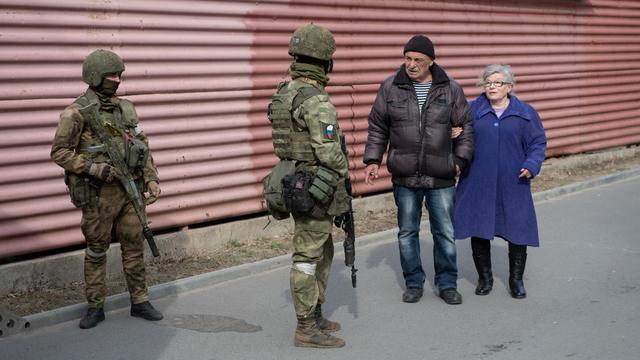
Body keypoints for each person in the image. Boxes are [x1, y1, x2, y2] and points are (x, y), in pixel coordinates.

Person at [51, 49, 163, 329]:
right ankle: (95, 306)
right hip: (98, 194)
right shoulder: (76, 113)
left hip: (131, 191)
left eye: (119, 75)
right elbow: (59, 152)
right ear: (94, 76)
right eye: (111, 75)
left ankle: (140, 301)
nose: (117, 80)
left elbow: (143, 146)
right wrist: (92, 168)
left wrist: (151, 178)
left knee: (134, 248)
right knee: (97, 250)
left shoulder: (127, 108)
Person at [363, 35, 474, 305]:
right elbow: (378, 126)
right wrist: (373, 160)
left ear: (431, 62)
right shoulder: (391, 87)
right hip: (405, 173)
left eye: (418, 60)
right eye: (408, 58)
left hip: (441, 173)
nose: (411, 64)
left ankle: (447, 283)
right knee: (407, 232)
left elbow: (466, 127)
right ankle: (413, 282)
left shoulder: (450, 88)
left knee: (444, 232)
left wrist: (459, 161)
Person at [266, 24, 350, 348]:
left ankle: (314, 314)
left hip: (294, 179)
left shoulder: (284, 92)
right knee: (307, 255)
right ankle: (305, 327)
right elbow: (329, 151)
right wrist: (344, 169)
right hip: (315, 186)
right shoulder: (317, 100)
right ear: (326, 62)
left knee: (322, 248)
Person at [454, 64, 547, 299]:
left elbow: (538, 143)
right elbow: (457, 132)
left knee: (518, 230)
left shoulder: (525, 112)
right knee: (479, 227)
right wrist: (454, 134)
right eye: (487, 82)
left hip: (513, 182)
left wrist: (532, 164)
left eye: (497, 83)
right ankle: (484, 278)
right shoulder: (472, 109)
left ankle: (516, 281)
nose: (491, 87)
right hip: (477, 180)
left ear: (509, 87)